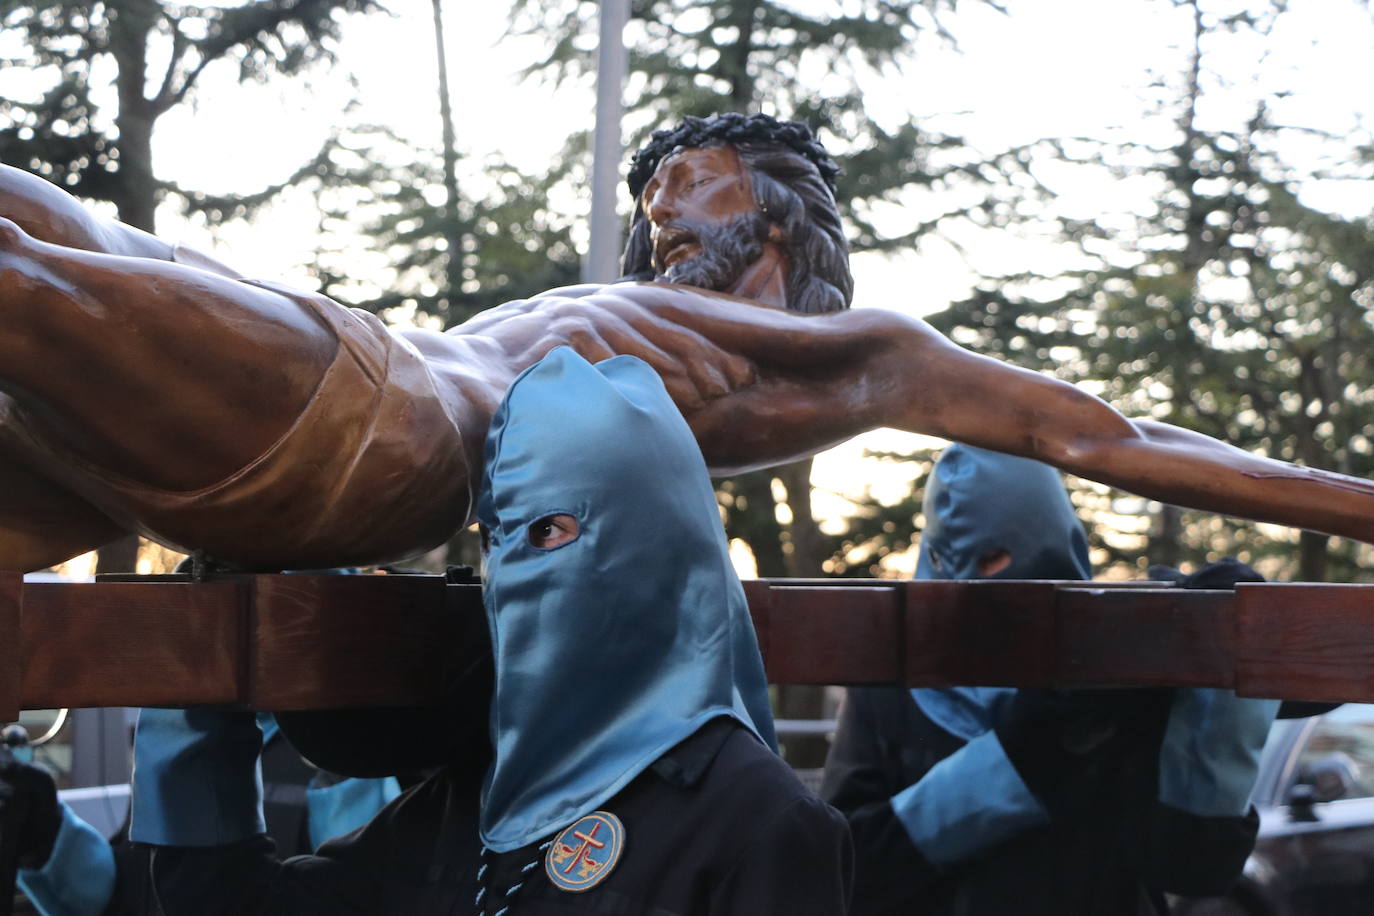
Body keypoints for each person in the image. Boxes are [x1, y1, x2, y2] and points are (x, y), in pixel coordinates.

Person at [0, 114, 1373, 575]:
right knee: (30, 207)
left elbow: (1110, 436)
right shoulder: (655, 313)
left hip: (378, 430)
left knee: (16, 277)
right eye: (651, 200)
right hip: (354, 355)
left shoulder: (850, 352)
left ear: (778, 207)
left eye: (690, 186)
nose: (659, 213)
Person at [115, 347, 852, 914]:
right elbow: (237, 904)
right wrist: (203, 668)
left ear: (654, 542)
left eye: (550, 530)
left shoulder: (760, 823)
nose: (517, 569)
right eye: (498, 539)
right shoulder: (475, 800)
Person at [820, 445, 1279, 915]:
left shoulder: (1119, 676)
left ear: (1051, 544)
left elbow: (1196, 866)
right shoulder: (890, 687)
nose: (973, 578)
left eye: (996, 553)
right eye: (944, 559)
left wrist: (1215, 672)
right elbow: (844, 870)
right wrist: (1017, 763)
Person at [2, 713, 403, 916]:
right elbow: (130, 886)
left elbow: (362, 891)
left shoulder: (340, 736)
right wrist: (49, 839)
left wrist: (346, 766)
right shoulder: (178, 729)